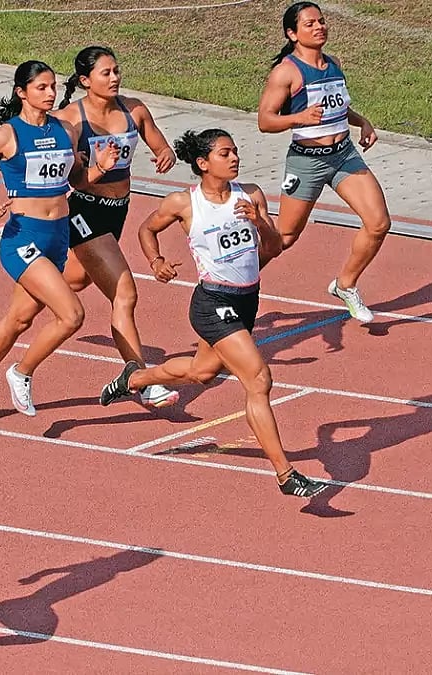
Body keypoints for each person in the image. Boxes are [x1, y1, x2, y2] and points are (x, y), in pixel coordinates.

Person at [98, 129, 328, 498]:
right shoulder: (183, 203)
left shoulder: (250, 195)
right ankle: (286, 475)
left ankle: (133, 380)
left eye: (235, 152)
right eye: (225, 154)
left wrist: (259, 221)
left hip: (246, 301)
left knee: (200, 372)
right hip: (211, 303)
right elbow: (146, 229)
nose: (235, 158)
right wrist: (156, 262)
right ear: (203, 164)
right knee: (258, 379)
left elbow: (275, 247)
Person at [0, 60, 120, 425]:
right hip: (22, 237)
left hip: (57, 237)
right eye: (41, 88)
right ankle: (22, 372)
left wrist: (101, 168)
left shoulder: (65, 131)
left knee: (18, 320)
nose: (50, 94)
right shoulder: (5, 136)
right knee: (72, 314)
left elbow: (78, 180)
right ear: (21, 92)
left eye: (53, 87)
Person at [51, 45, 179, 409]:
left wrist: (165, 153)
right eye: (106, 73)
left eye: (117, 71)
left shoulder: (134, 109)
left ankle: (33, 271)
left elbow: (159, 143)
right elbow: (72, 180)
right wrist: (99, 169)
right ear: (84, 80)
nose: (115, 78)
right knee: (125, 295)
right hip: (85, 211)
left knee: (74, 282)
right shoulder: (70, 122)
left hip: (117, 211)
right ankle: (139, 377)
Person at [257, 1, 391, 324]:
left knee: (378, 223)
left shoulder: (334, 64)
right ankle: (233, 278)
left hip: (343, 155)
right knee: (283, 239)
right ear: (292, 33)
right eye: (310, 24)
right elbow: (264, 120)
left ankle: (345, 284)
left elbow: (337, 107)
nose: (319, 27)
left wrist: (363, 122)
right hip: (307, 161)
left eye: (322, 21)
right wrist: (299, 117)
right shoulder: (286, 72)